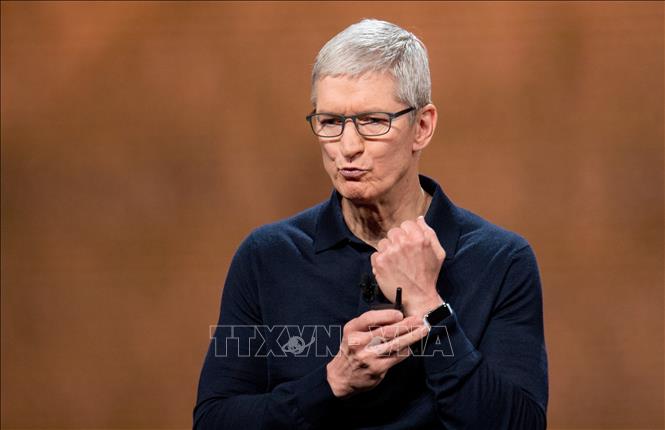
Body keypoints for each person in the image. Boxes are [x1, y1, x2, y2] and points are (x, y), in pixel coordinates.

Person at [194, 19, 548, 429]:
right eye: (330, 122)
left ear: (422, 126)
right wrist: (331, 382)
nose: (348, 147)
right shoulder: (267, 257)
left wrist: (429, 307)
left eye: (374, 121)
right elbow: (214, 421)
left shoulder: (501, 260)